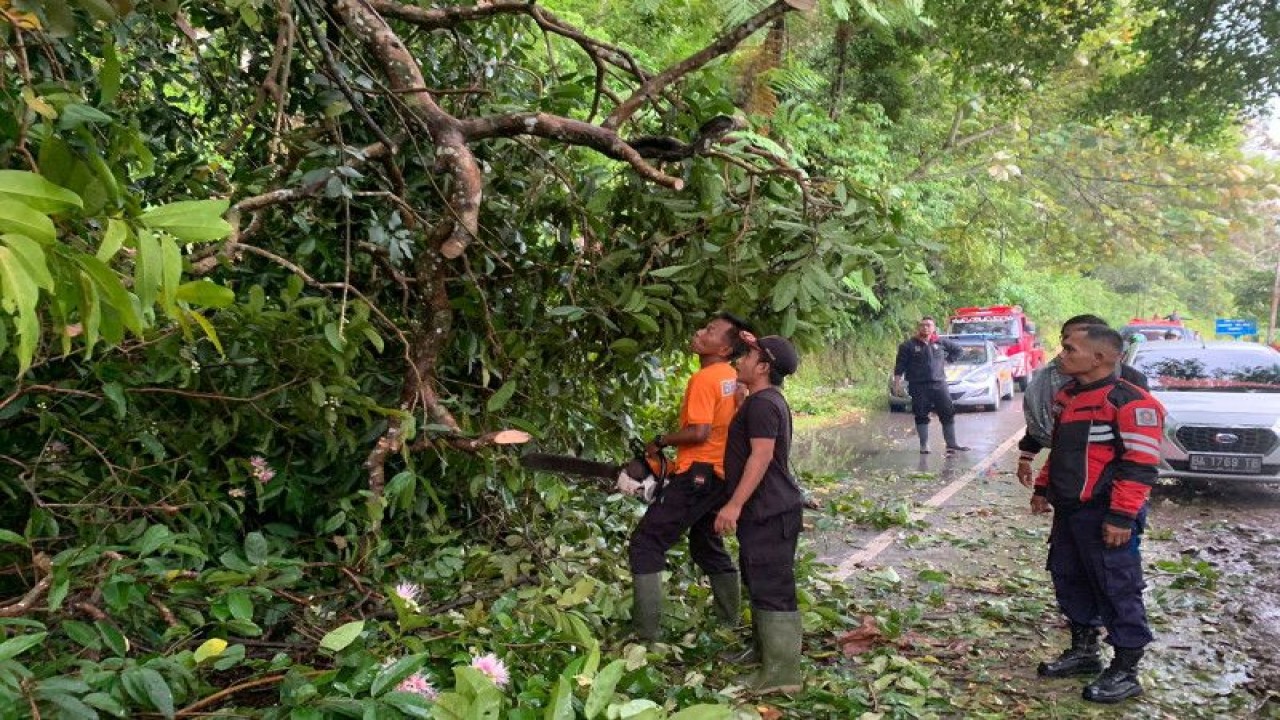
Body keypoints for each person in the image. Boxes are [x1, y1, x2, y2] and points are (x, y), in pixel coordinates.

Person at [1030, 324, 1163, 704]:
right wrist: (1043, 489)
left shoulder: (1131, 403)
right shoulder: (1067, 396)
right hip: (1070, 511)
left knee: (1117, 585)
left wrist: (1121, 516)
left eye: (1070, 349)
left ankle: (1126, 669)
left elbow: (1139, 466)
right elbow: (1060, 451)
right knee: (1068, 576)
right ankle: (1085, 650)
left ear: (1100, 357)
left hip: (1108, 514)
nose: (1061, 356)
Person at [628, 312, 752, 642]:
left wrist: (661, 441)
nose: (700, 333)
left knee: (646, 544)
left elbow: (699, 432)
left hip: (698, 475)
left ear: (725, 349)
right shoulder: (731, 376)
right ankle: (730, 621)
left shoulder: (705, 378)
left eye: (710, 331)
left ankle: (646, 637)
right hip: (721, 476)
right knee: (704, 541)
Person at [714, 333, 804, 695]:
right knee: (757, 580)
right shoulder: (759, 399)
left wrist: (733, 505)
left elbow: (761, 456)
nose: (739, 359)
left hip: (771, 509)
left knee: (772, 586)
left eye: (748, 355)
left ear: (764, 367)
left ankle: (783, 674)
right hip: (764, 510)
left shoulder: (764, 404)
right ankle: (764, 653)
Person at [1016, 315, 1149, 488]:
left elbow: (1140, 460)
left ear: (1098, 353)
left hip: (1110, 493)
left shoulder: (1132, 391)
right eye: (1064, 341)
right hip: (1071, 494)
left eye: (1071, 348)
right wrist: (1040, 484)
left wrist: (1122, 512)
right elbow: (1061, 441)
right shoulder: (1064, 390)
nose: (1062, 354)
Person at [892, 316, 969, 454]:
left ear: (934, 328)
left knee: (947, 412)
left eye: (928, 325)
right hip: (919, 385)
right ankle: (924, 445)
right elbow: (900, 366)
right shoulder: (908, 345)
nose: (925, 327)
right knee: (921, 414)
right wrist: (897, 383)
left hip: (940, 384)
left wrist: (948, 360)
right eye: (923, 325)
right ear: (918, 328)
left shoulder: (940, 342)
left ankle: (951, 443)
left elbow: (959, 350)